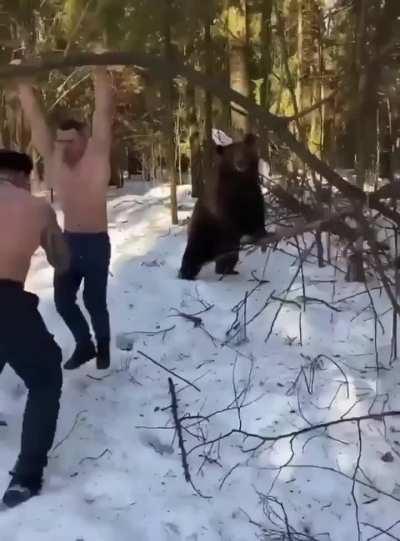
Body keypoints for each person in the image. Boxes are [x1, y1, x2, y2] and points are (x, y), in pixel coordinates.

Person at [15, 66, 114, 370]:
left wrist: (99, 72)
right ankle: (83, 344)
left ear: (83, 139)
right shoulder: (59, 159)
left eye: (70, 141)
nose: (64, 147)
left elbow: (103, 113)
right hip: (69, 241)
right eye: (61, 142)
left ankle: (103, 348)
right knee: (62, 301)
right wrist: (24, 86)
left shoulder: (96, 156)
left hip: (96, 243)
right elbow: (36, 124)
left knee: (95, 302)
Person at [0, 149, 70, 508]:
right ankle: (26, 478)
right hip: (6, 299)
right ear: (22, 177)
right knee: (44, 379)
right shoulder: (35, 206)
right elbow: (61, 260)